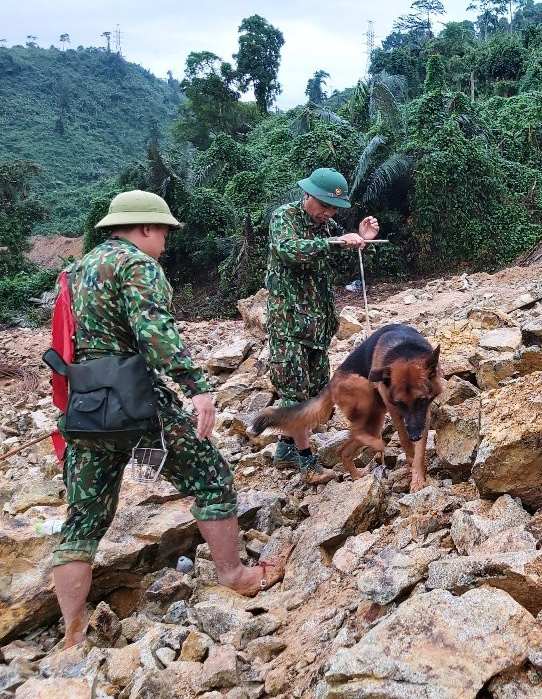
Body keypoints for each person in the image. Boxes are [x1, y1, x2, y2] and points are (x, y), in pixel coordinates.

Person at [52, 190, 288, 649]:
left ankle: (73, 632)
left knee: (82, 520)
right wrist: (196, 388)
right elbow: (154, 333)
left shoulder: (76, 270)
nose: (164, 241)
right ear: (145, 227)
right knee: (211, 478)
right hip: (139, 403)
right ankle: (235, 575)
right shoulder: (137, 265)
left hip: (89, 409)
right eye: (163, 232)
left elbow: (67, 342)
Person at [265, 168, 379, 484]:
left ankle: (285, 448)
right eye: (324, 205)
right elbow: (289, 250)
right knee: (296, 395)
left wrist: (360, 239)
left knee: (317, 394)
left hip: (317, 326)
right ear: (308, 195)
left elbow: (339, 255)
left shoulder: (326, 226)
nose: (328, 213)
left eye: (333, 209)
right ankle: (307, 463)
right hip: (289, 325)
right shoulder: (284, 218)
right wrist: (334, 242)